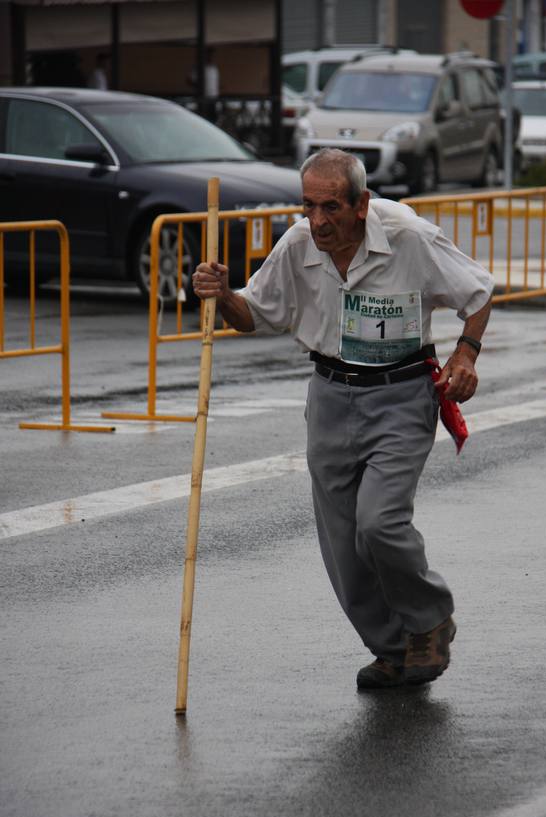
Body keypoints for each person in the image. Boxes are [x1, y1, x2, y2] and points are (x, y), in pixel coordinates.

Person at [192, 148, 493, 690]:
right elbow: (253, 314)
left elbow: (478, 291)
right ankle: (394, 648)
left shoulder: (406, 235)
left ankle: (431, 620)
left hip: (400, 394)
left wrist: (465, 354)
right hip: (330, 393)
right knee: (341, 542)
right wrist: (222, 293)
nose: (318, 220)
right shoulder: (298, 244)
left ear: (362, 204)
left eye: (330, 207)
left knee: (378, 523)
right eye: (308, 206)